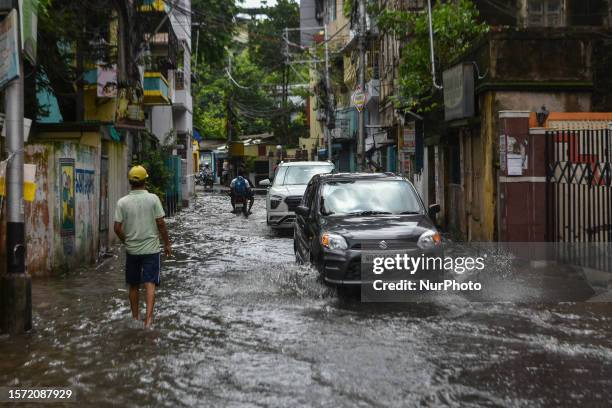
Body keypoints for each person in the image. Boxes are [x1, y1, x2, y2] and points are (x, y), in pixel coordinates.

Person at [114, 165, 172, 329]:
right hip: (151, 250)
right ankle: (148, 320)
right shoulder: (153, 199)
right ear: (146, 180)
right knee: (150, 283)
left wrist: (126, 241)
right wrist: (167, 243)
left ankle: (135, 318)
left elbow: (117, 228)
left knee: (133, 284)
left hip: (132, 251)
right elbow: (161, 223)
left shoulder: (122, 202)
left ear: (130, 182)